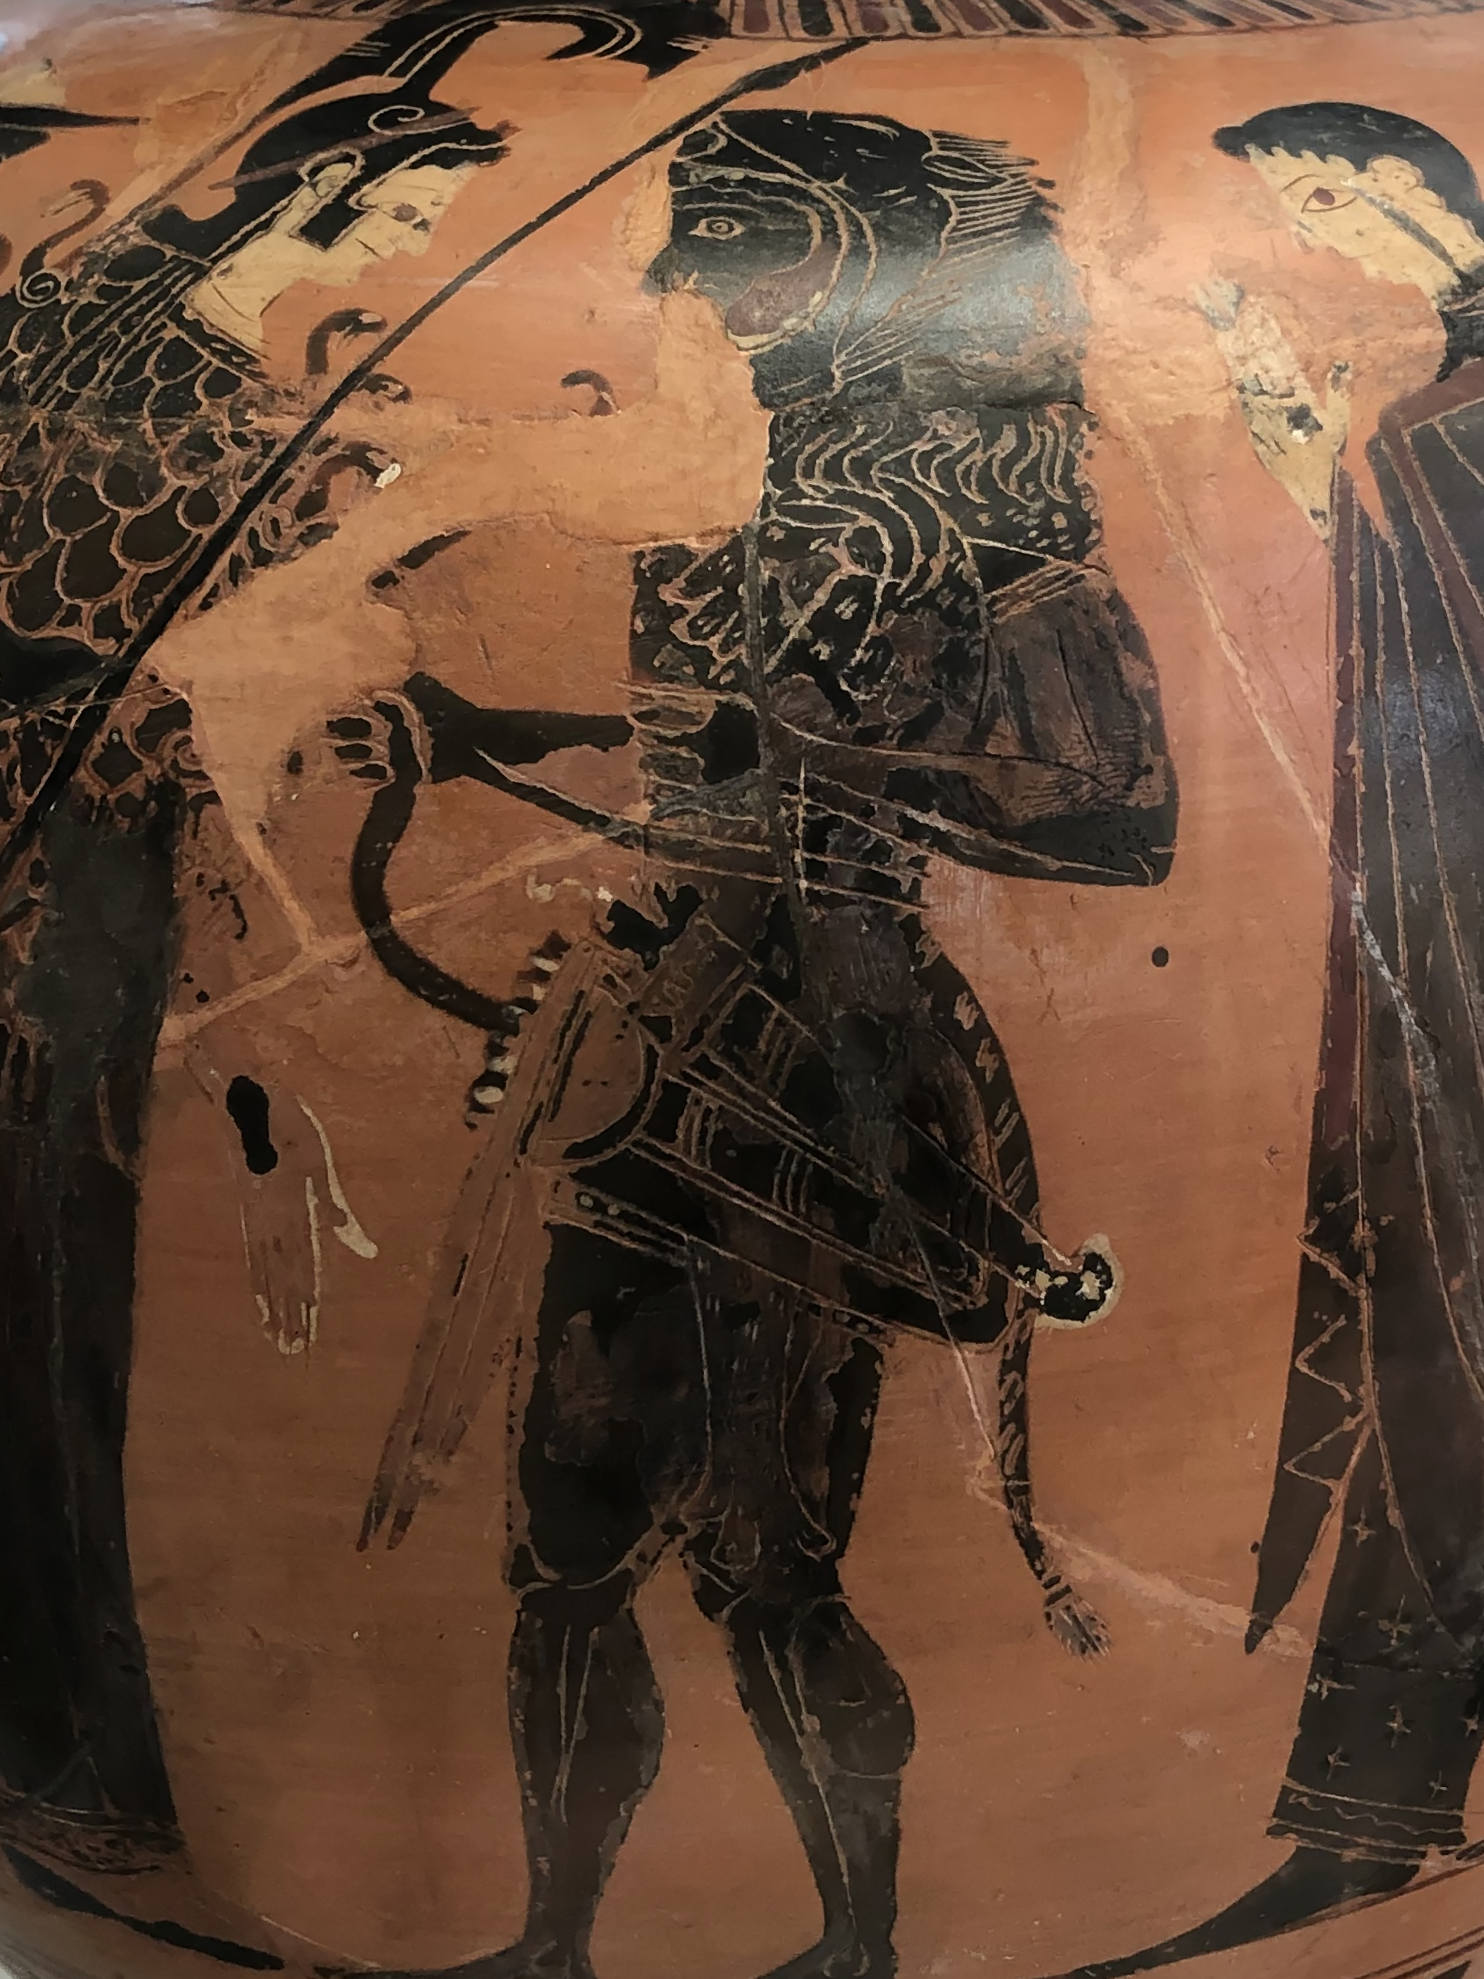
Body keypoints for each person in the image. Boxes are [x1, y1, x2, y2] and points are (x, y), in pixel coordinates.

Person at [340, 107, 1177, 1979]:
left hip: (835, 1077)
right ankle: (552, 1942)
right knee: (568, 1537)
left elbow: (1118, 813)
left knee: (770, 1560)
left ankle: (859, 1945)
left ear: (866, 265)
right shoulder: (736, 516)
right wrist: (473, 734)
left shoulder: (994, 540)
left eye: (725, 238)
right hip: (655, 1046)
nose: (679, 283)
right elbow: (688, 763)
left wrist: (822, 753)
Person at [0, 71, 510, 1893]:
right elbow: (113, 647)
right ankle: (85, 1761)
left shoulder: (159, 354)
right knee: (52, 1293)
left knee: (66, 1295)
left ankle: (94, 1766)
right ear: (330, 185)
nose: (412, 245)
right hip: (70, 885)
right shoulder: (161, 379)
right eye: (404, 210)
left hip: (118, 867)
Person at [1044, 100, 1484, 1979]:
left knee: (1442, 1356)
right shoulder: (1428, 418)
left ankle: (1381, 1828)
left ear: (1407, 189)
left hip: (1458, 961)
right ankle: (1374, 1822)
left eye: (1322, 198)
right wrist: (1319, 474)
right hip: (1439, 949)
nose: (1318, 235)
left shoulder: (1446, 422)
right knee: (1424, 1354)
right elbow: (1419, 653)